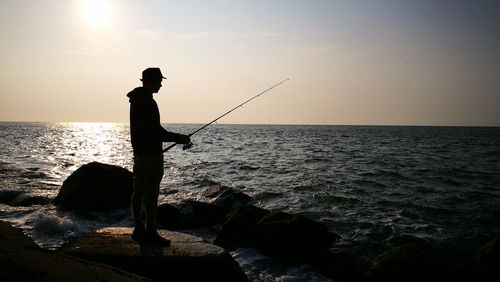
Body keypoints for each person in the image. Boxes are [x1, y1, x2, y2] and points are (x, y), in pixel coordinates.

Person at [127, 67, 191, 246]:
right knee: (151, 194)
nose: (161, 85)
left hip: (139, 154)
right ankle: (150, 232)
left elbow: (148, 129)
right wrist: (178, 138)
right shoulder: (148, 101)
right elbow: (156, 131)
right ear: (152, 81)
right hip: (151, 155)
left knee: (138, 190)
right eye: (159, 81)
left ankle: (138, 227)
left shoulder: (136, 100)